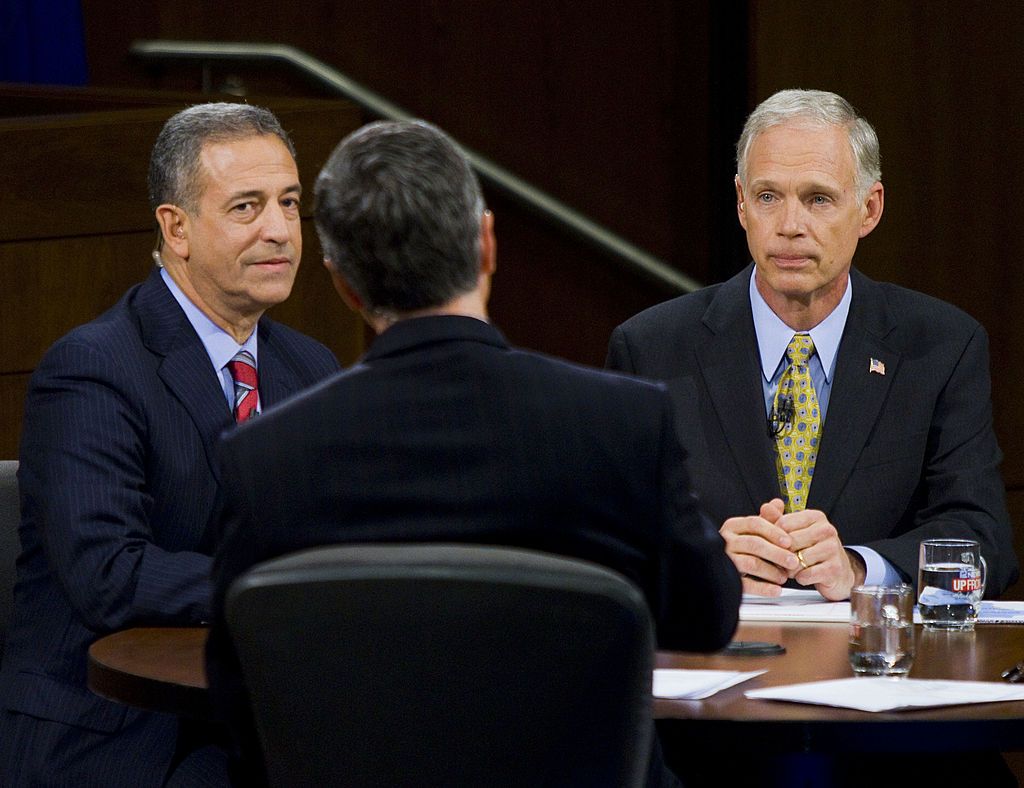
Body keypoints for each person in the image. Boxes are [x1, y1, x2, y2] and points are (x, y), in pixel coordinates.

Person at [205, 119, 741, 787]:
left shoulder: (264, 458)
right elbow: (709, 617)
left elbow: (239, 701)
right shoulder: (622, 424)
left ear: (344, 284)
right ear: (487, 244)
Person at [0, 103, 340, 786]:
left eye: (289, 202)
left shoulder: (313, 369)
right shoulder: (93, 368)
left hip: (260, 715)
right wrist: (283, 588)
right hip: (118, 732)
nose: (280, 231)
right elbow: (111, 576)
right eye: (247, 207)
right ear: (175, 228)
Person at [607, 88, 1017, 604]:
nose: (790, 226)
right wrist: (703, 560)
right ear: (741, 204)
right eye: (768, 197)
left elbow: (985, 543)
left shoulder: (941, 348)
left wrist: (858, 567)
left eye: (818, 199)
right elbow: (608, 541)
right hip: (716, 660)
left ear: (869, 208)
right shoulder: (651, 348)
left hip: (876, 668)